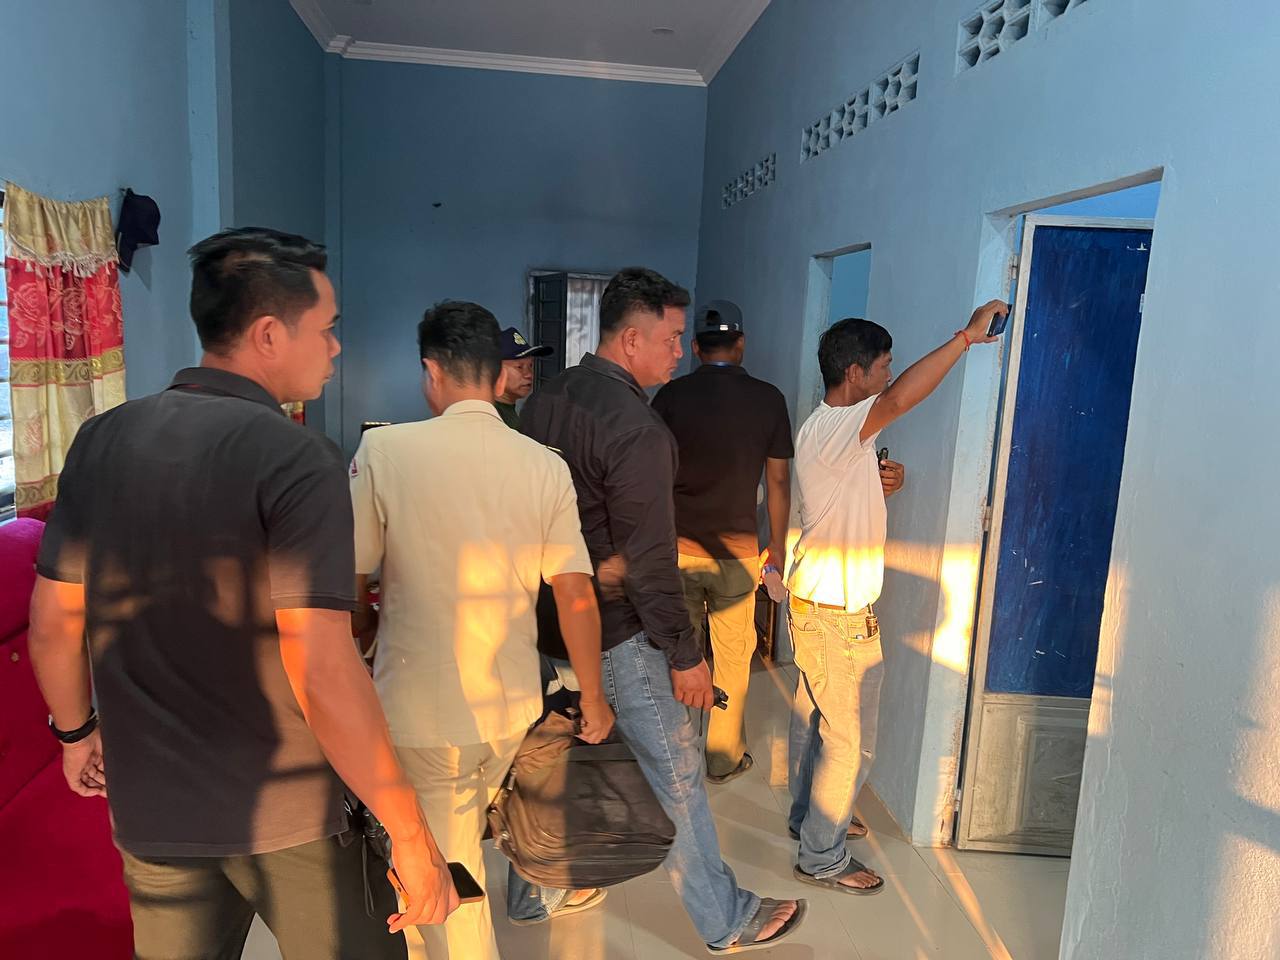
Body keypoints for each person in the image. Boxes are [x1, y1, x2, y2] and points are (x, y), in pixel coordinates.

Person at [27, 227, 456, 960]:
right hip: (292, 814)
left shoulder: (100, 440)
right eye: (326, 328)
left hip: (154, 809)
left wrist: (74, 735)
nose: (335, 348)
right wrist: (410, 834)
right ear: (268, 334)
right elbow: (322, 667)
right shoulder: (297, 457)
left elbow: (54, 622)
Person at [512, 267, 807, 954]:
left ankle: (535, 890)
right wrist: (683, 653)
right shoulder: (636, 427)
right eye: (672, 338)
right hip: (617, 628)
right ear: (632, 338)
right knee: (674, 773)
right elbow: (647, 559)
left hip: (548, 617)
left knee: (553, 756)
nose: (681, 351)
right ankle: (726, 917)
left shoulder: (547, 400)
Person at [349, 301, 615, 960]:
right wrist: (594, 695)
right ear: (498, 376)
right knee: (451, 846)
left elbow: (350, 578)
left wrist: (367, 629)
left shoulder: (385, 450)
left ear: (431, 371)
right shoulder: (544, 464)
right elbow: (574, 593)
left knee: (449, 876)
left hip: (424, 712)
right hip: (510, 708)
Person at [786, 301, 1007, 895]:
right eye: (883, 366)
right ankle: (821, 856)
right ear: (855, 373)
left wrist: (886, 484)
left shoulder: (833, 433)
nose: (889, 375)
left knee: (818, 724)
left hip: (821, 608)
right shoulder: (839, 424)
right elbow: (902, 398)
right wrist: (965, 338)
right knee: (849, 743)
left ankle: (809, 819)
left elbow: (842, 503)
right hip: (835, 617)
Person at [650, 299, 794, 784]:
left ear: (694, 347)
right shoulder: (768, 399)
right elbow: (778, 481)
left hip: (678, 551)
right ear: (741, 344)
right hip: (738, 554)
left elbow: (653, 475)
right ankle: (723, 757)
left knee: (678, 653)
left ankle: (674, 756)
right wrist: (776, 545)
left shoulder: (671, 397)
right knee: (732, 658)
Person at [494, 326, 553, 428]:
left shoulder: (508, 412)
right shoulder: (490, 416)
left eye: (531, 365)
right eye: (519, 367)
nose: (529, 374)